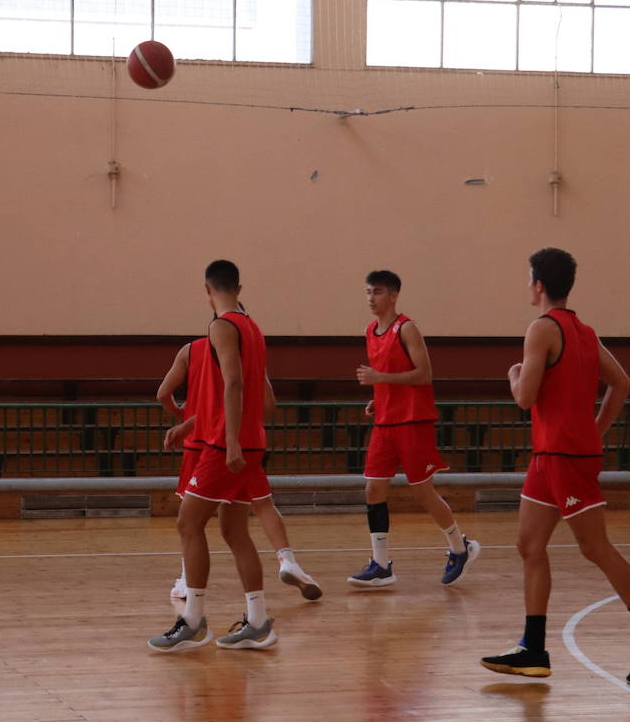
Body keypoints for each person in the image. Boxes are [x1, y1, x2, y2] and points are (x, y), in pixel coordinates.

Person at [481, 248, 630, 684]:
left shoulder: (541, 330)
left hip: (565, 457)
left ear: (537, 284)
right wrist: (596, 429)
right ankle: (533, 648)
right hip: (550, 455)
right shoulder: (585, 332)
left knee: (596, 548)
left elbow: (524, 397)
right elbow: (621, 383)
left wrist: (514, 373)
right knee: (529, 546)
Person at [149, 261, 279, 652]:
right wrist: (193, 427)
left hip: (227, 445)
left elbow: (235, 383)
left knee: (188, 524)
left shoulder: (220, 327)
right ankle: (257, 622)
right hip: (250, 439)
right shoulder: (253, 327)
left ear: (207, 289)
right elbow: (257, 394)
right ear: (238, 286)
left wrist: (232, 442)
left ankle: (193, 621)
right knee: (235, 532)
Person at [157, 331, 322, 602]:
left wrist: (183, 417)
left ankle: (189, 586)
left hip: (209, 444)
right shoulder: (252, 356)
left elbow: (163, 393)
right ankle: (286, 562)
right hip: (246, 444)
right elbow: (268, 405)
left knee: (190, 523)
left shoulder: (191, 350)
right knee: (258, 509)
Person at [350, 270, 479, 588]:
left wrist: (380, 380)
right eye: (368, 292)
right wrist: (378, 399)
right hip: (386, 422)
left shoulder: (407, 328)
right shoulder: (370, 330)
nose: (371, 298)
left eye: (377, 292)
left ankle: (459, 548)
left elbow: (424, 375)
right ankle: (381, 565)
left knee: (423, 491)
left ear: (393, 295)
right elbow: (389, 376)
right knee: (373, 489)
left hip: (413, 421)